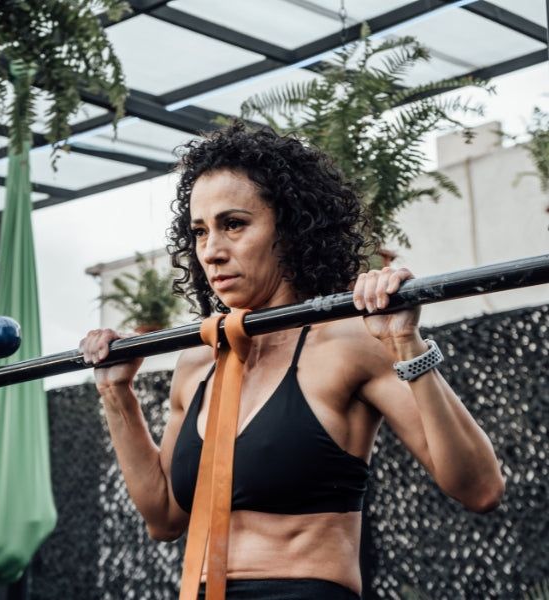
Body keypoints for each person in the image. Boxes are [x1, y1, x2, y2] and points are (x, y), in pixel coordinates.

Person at [80, 122, 505, 599]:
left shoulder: (344, 345)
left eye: (233, 224)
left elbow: (481, 488)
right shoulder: (198, 361)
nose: (212, 252)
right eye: (200, 231)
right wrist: (116, 393)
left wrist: (406, 343)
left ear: (290, 227)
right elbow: (163, 518)